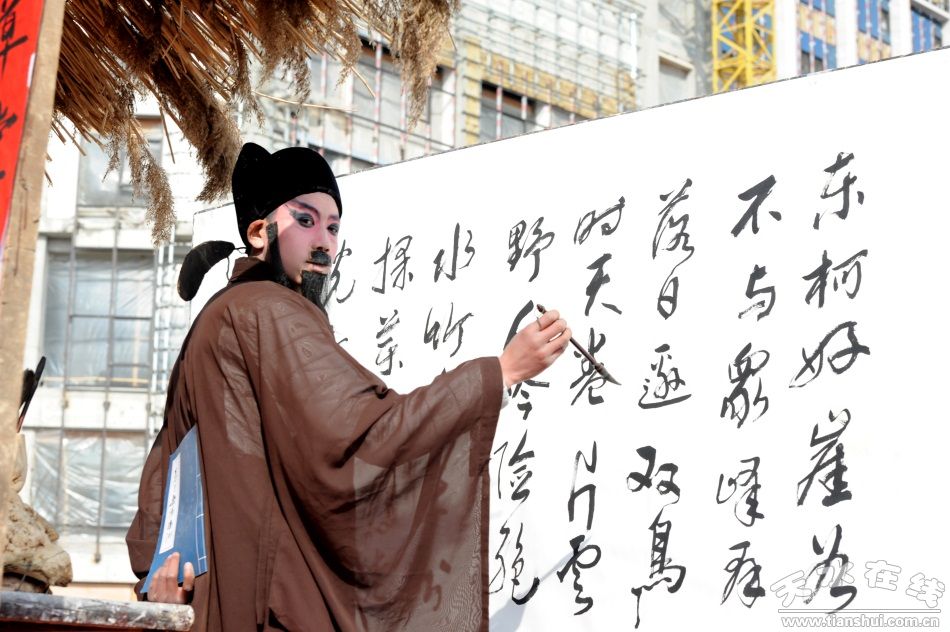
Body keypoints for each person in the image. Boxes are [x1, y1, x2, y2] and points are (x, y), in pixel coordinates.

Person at [127, 143, 571, 631]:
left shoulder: (217, 317)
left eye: (334, 227)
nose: (324, 242)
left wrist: (153, 573)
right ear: (258, 233)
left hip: (205, 603)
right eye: (305, 220)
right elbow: (365, 435)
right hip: (265, 607)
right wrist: (500, 372)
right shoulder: (269, 311)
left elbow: (164, 464)